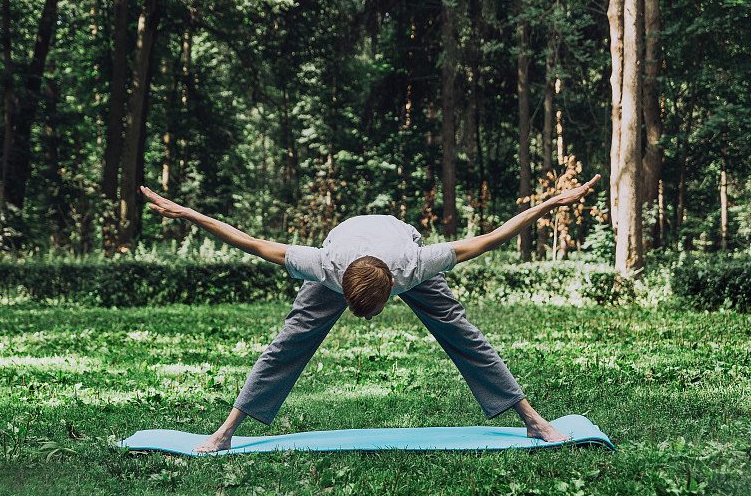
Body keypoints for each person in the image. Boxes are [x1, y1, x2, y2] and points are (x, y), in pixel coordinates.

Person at [140, 174, 600, 453]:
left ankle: (535, 422)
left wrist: (550, 206)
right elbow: (250, 242)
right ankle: (224, 433)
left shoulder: (416, 267)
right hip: (346, 248)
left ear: (394, 290)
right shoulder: (322, 268)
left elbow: (492, 237)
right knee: (288, 344)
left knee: (464, 335)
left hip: (397, 244)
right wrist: (188, 213)